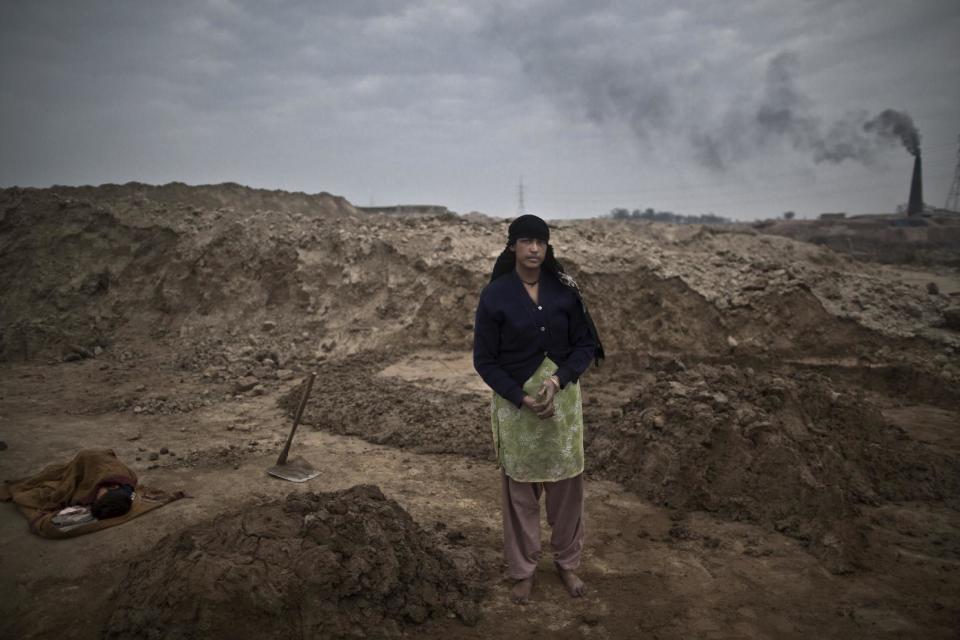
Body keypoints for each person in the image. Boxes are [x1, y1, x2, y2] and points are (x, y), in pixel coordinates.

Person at [473, 214, 603, 605]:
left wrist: (557, 380)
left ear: (548, 247)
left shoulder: (565, 291)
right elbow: (484, 359)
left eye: (541, 242)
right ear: (511, 245)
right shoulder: (494, 296)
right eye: (526, 241)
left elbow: (585, 346)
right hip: (518, 408)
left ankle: (567, 562)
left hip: (561, 403)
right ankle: (523, 570)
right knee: (520, 495)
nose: (534, 249)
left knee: (567, 489)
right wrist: (520, 395)